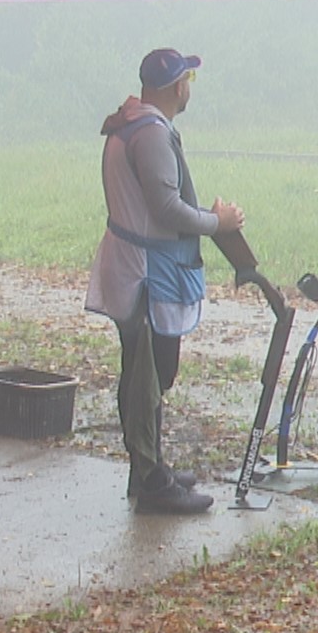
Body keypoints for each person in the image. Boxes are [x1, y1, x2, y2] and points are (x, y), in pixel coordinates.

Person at [86, 48, 243, 515]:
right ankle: (151, 479)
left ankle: (148, 467)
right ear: (179, 86)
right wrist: (218, 222)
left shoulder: (131, 125)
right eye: (189, 80)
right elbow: (166, 209)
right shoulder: (151, 134)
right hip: (146, 274)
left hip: (136, 267)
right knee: (148, 376)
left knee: (145, 373)